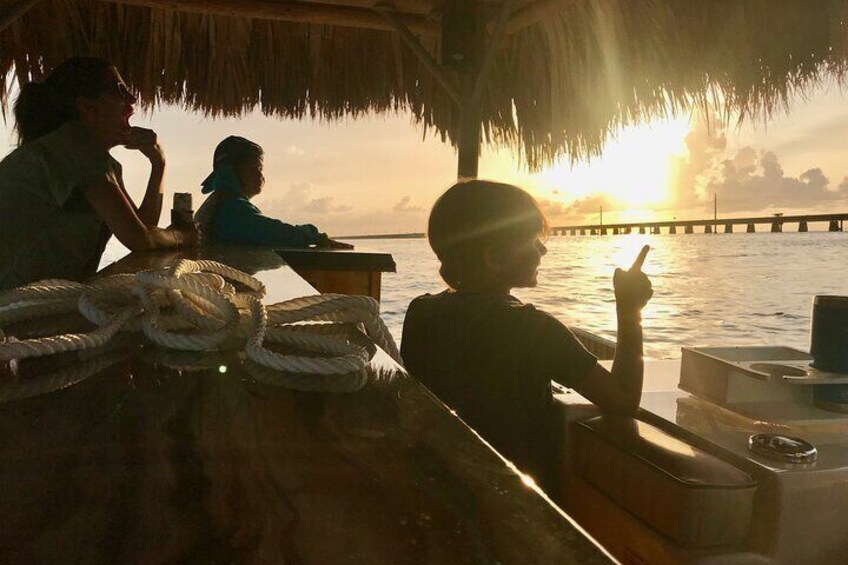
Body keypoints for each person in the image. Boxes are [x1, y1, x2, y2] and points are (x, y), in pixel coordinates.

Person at [401, 180, 652, 496]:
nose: (543, 249)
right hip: (519, 502)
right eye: (533, 240)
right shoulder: (534, 329)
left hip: (439, 487)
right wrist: (629, 309)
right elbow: (624, 401)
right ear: (496, 257)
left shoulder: (421, 313)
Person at [0, 57, 199, 291]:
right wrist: (183, 236)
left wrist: (158, 163)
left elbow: (143, 226)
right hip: (11, 309)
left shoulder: (100, 162)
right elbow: (140, 239)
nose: (132, 100)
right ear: (88, 107)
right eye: (121, 91)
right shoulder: (74, 146)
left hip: (30, 303)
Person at [195, 136, 352, 249]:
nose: (261, 176)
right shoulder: (232, 208)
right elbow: (272, 232)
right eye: (255, 169)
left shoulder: (218, 201)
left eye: (261, 170)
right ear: (230, 171)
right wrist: (314, 236)